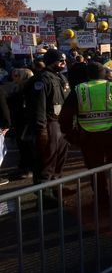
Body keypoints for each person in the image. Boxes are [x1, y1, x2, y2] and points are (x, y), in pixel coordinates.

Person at [59, 61, 112, 203]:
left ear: (88, 75)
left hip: (88, 136)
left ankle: (102, 198)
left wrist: (71, 134)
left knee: (95, 168)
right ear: (104, 74)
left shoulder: (79, 89)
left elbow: (65, 116)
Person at [24, 49, 71, 206]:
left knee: (60, 159)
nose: (64, 63)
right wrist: (41, 130)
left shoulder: (61, 77)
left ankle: (56, 186)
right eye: (61, 61)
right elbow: (39, 107)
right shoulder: (42, 80)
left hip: (61, 124)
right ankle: (45, 195)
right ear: (52, 61)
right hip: (49, 124)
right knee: (46, 161)